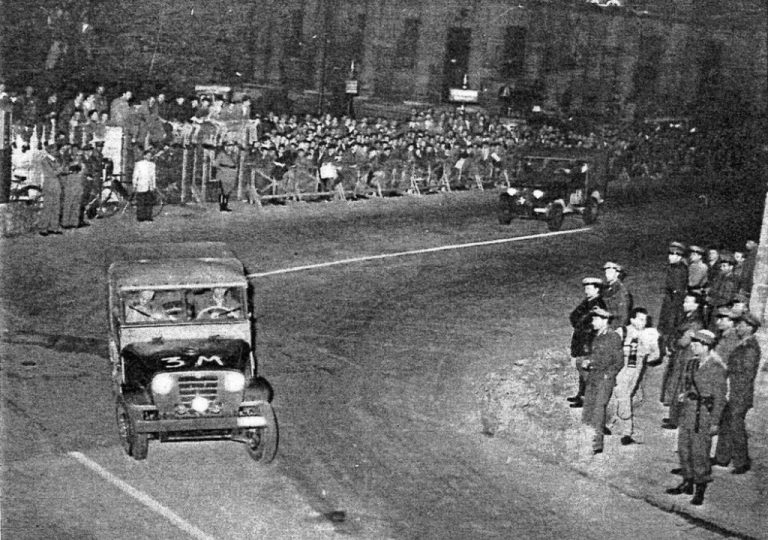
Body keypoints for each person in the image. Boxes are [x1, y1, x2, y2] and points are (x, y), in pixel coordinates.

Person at [665, 329, 726, 506]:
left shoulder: (716, 368)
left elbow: (720, 398)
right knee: (684, 448)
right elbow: (688, 386)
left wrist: (715, 422)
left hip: (704, 415)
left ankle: (700, 488)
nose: (692, 346)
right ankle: (687, 482)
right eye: (692, 343)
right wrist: (684, 395)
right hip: (688, 412)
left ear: (706, 347)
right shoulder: (692, 363)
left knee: (700, 452)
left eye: (696, 344)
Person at [713, 312, 761, 474]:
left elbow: (746, 372)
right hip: (734, 392)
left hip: (739, 394)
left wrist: (723, 365)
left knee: (736, 427)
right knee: (725, 424)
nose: (738, 327)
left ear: (749, 328)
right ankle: (722, 458)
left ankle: (742, 462)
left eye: (741, 325)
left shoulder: (750, 347)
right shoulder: (744, 344)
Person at [611, 308, 660, 445]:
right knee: (623, 394)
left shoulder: (649, 334)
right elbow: (610, 349)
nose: (643, 322)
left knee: (625, 395)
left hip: (635, 369)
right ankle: (627, 430)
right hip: (621, 367)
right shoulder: (622, 332)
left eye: (645, 320)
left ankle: (617, 422)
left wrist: (644, 354)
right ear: (632, 320)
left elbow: (655, 355)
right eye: (640, 319)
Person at [581, 306, 623, 455]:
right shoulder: (598, 335)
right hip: (593, 376)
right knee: (589, 408)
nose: (592, 322)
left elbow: (619, 361)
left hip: (604, 379)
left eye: (595, 319)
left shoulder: (613, 337)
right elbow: (597, 355)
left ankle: (597, 445)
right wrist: (589, 361)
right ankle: (587, 439)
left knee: (598, 410)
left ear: (604, 320)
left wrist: (608, 376)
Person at [661, 293, 705, 429]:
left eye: (688, 302)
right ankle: (673, 416)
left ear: (696, 305)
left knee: (680, 386)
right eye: (685, 301)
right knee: (676, 384)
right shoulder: (689, 317)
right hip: (681, 355)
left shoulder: (695, 322)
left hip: (685, 356)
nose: (684, 304)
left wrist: (672, 346)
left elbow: (684, 341)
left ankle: (675, 420)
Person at [567, 277, 607, 408]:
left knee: (586, 372)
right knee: (582, 370)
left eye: (589, 288)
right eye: (586, 288)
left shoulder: (598, 305)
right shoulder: (588, 301)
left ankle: (587, 399)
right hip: (581, 340)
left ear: (597, 289)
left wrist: (581, 324)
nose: (586, 291)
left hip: (588, 342)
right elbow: (573, 317)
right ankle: (581, 395)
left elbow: (581, 321)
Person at [658, 242, 688, 358]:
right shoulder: (672, 267)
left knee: (671, 325)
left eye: (673, 255)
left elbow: (679, 290)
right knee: (665, 324)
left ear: (679, 257)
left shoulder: (680, 270)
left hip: (674, 302)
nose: (670, 257)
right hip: (669, 300)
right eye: (670, 254)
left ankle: (669, 349)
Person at [36, 144, 64, 236]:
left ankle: (54, 227)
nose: (57, 152)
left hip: (56, 185)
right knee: (47, 207)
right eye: (56, 150)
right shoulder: (45, 161)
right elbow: (52, 173)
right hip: (49, 185)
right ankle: (43, 228)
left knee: (56, 207)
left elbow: (58, 171)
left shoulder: (55, 160)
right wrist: (61, 169)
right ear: (51, 151)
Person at [602, 261, 631, 329]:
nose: (606, 275)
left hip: (614, 327)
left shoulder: (620, 289)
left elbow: (623, 314)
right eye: (606, 272)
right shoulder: (607, 289)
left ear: (617, 273)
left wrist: (619, 328)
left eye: (610, 272)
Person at [131, 149, 157, 222]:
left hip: (149, 186)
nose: (149, 157)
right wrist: (134, 184)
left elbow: (153, 176)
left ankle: (148, 216)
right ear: (144, 156)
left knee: (149, 201)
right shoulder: (139, 164)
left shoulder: (152, 165)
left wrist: (154, 186)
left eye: (150, 156)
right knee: (141, 202)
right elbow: (135, 175)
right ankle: (140, 217)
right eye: (148, 155)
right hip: (141, 185)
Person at [213, 142, 238, 212]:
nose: (229, 148)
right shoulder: (221, 154)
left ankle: (226, 205)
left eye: (231, 146)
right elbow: (215, 164)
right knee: (223, 190)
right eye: (227, 146)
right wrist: (222, 169)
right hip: (223, 173)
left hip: (232, 174)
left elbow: (235, 163)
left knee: (229, 190)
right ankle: (222, 206)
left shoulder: (234, 154)